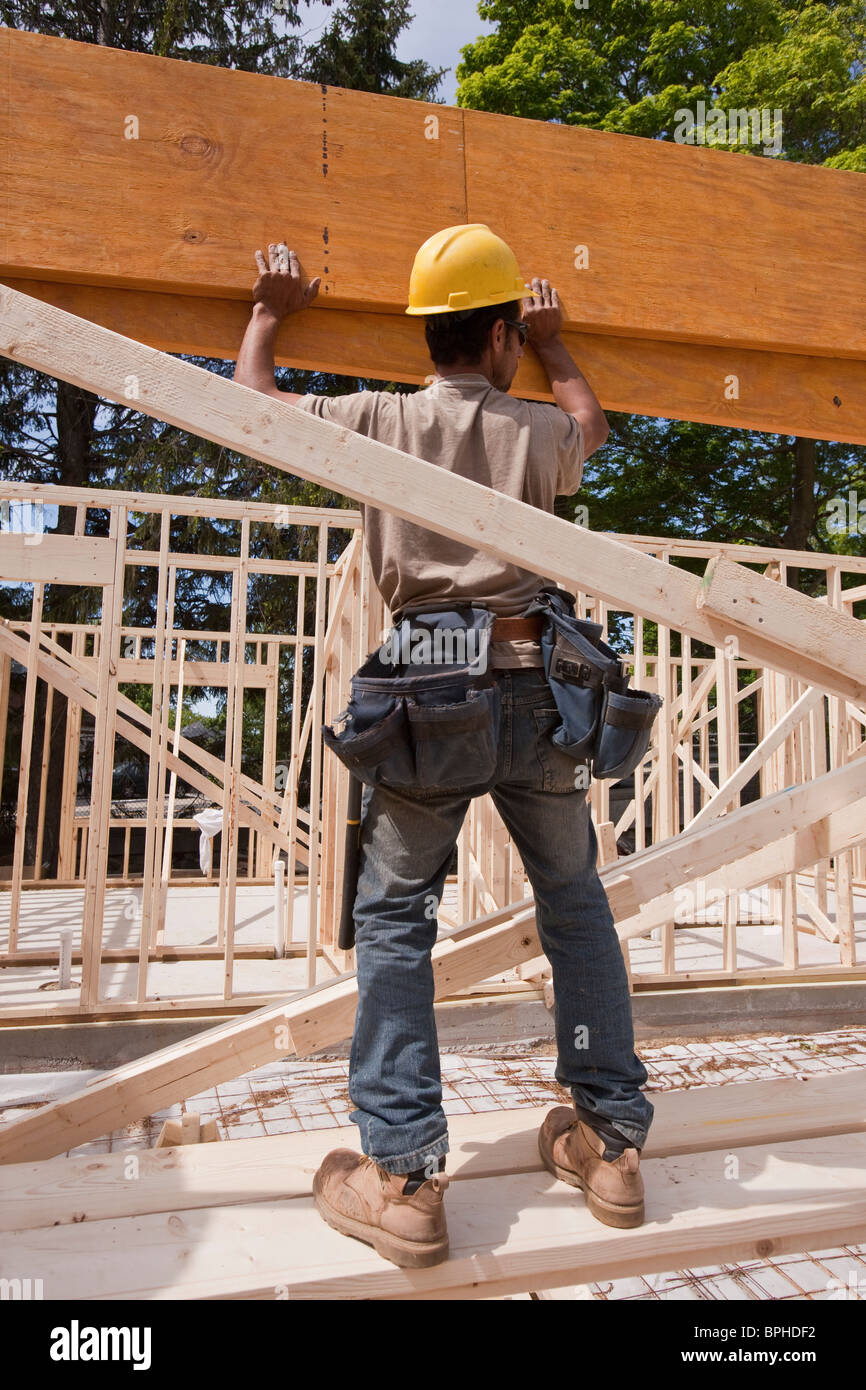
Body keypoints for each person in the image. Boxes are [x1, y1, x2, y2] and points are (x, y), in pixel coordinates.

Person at [234, 225, 654, 1269]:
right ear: (503, 330)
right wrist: (557, 349)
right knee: (573, 902)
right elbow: (588, 425)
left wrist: (267, 311)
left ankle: (406, 1179)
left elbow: (252, 401)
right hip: (538, 689)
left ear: (426, 332)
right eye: (516, 330)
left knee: (391, 920)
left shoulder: (377, 418)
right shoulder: (529, 423)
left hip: (428, 695)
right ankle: (608, 1143)